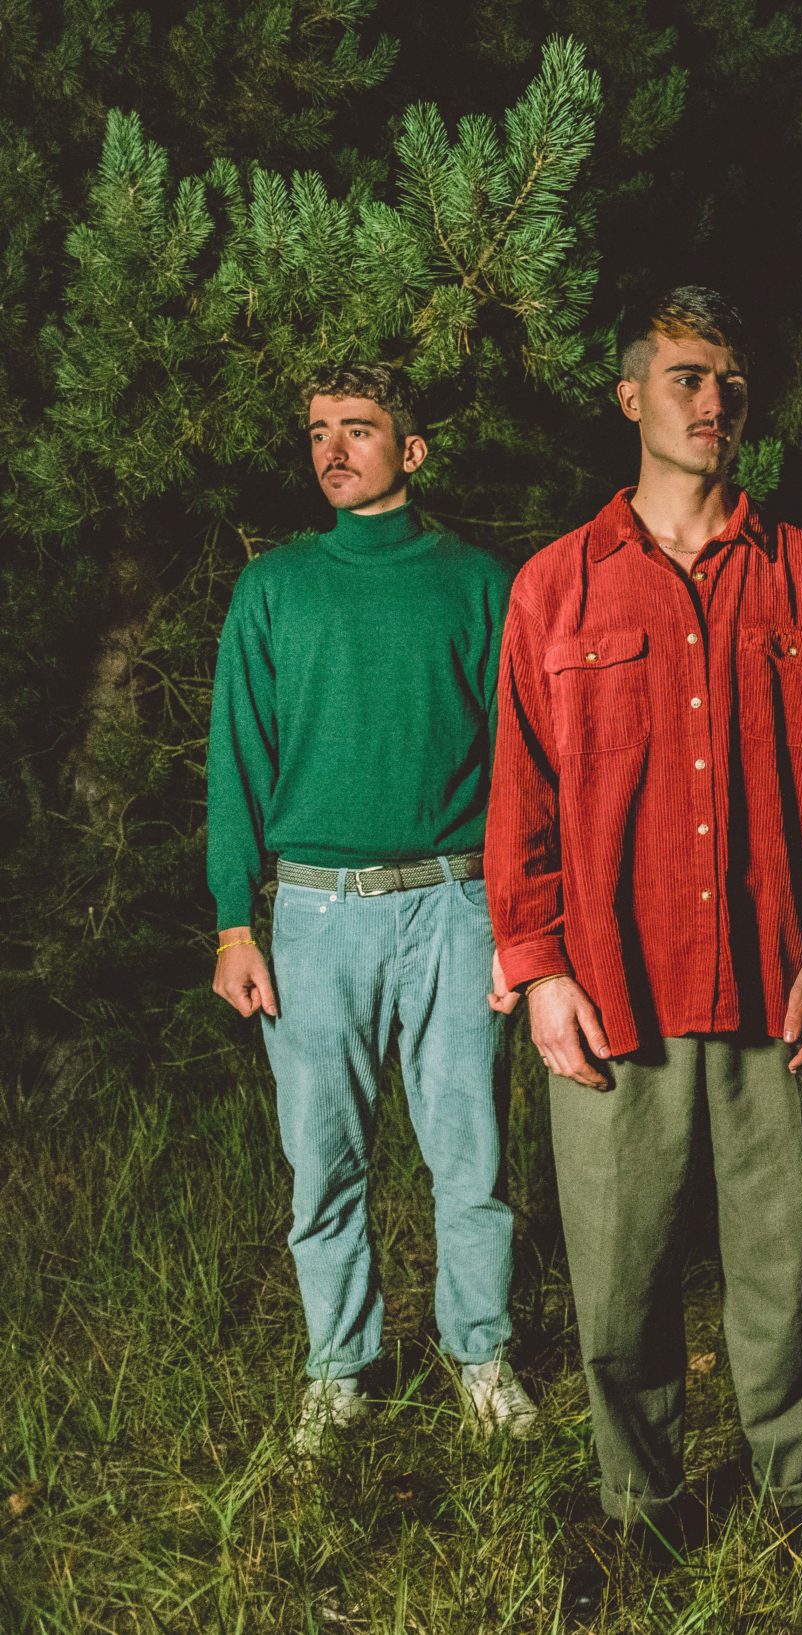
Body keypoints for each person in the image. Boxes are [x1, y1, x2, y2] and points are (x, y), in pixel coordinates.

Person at [486, 286, 802, 1577]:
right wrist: (538, 968)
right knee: (619, 1280)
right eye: (686, 378)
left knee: (789, 1270)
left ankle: (799, 1496)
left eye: (730, 382)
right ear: (631, 398)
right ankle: (640, 1512)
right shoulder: (555, 586)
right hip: (616, 994)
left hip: (779, 988)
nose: (715, 402)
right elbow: (520, 798)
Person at [207, 362, 534, 1455]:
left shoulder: (479, 584)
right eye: (317, 432)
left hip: (455, 903)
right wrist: (234, 922)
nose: (333, 450)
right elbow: (235, 760)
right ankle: (339, 1369)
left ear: (413, 450)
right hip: (315, 913)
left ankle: (480, 1356)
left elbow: (521, 766)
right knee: (324, 1159)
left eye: (358, 428)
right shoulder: (275, 587)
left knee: (470, 1155)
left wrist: (520, 926)